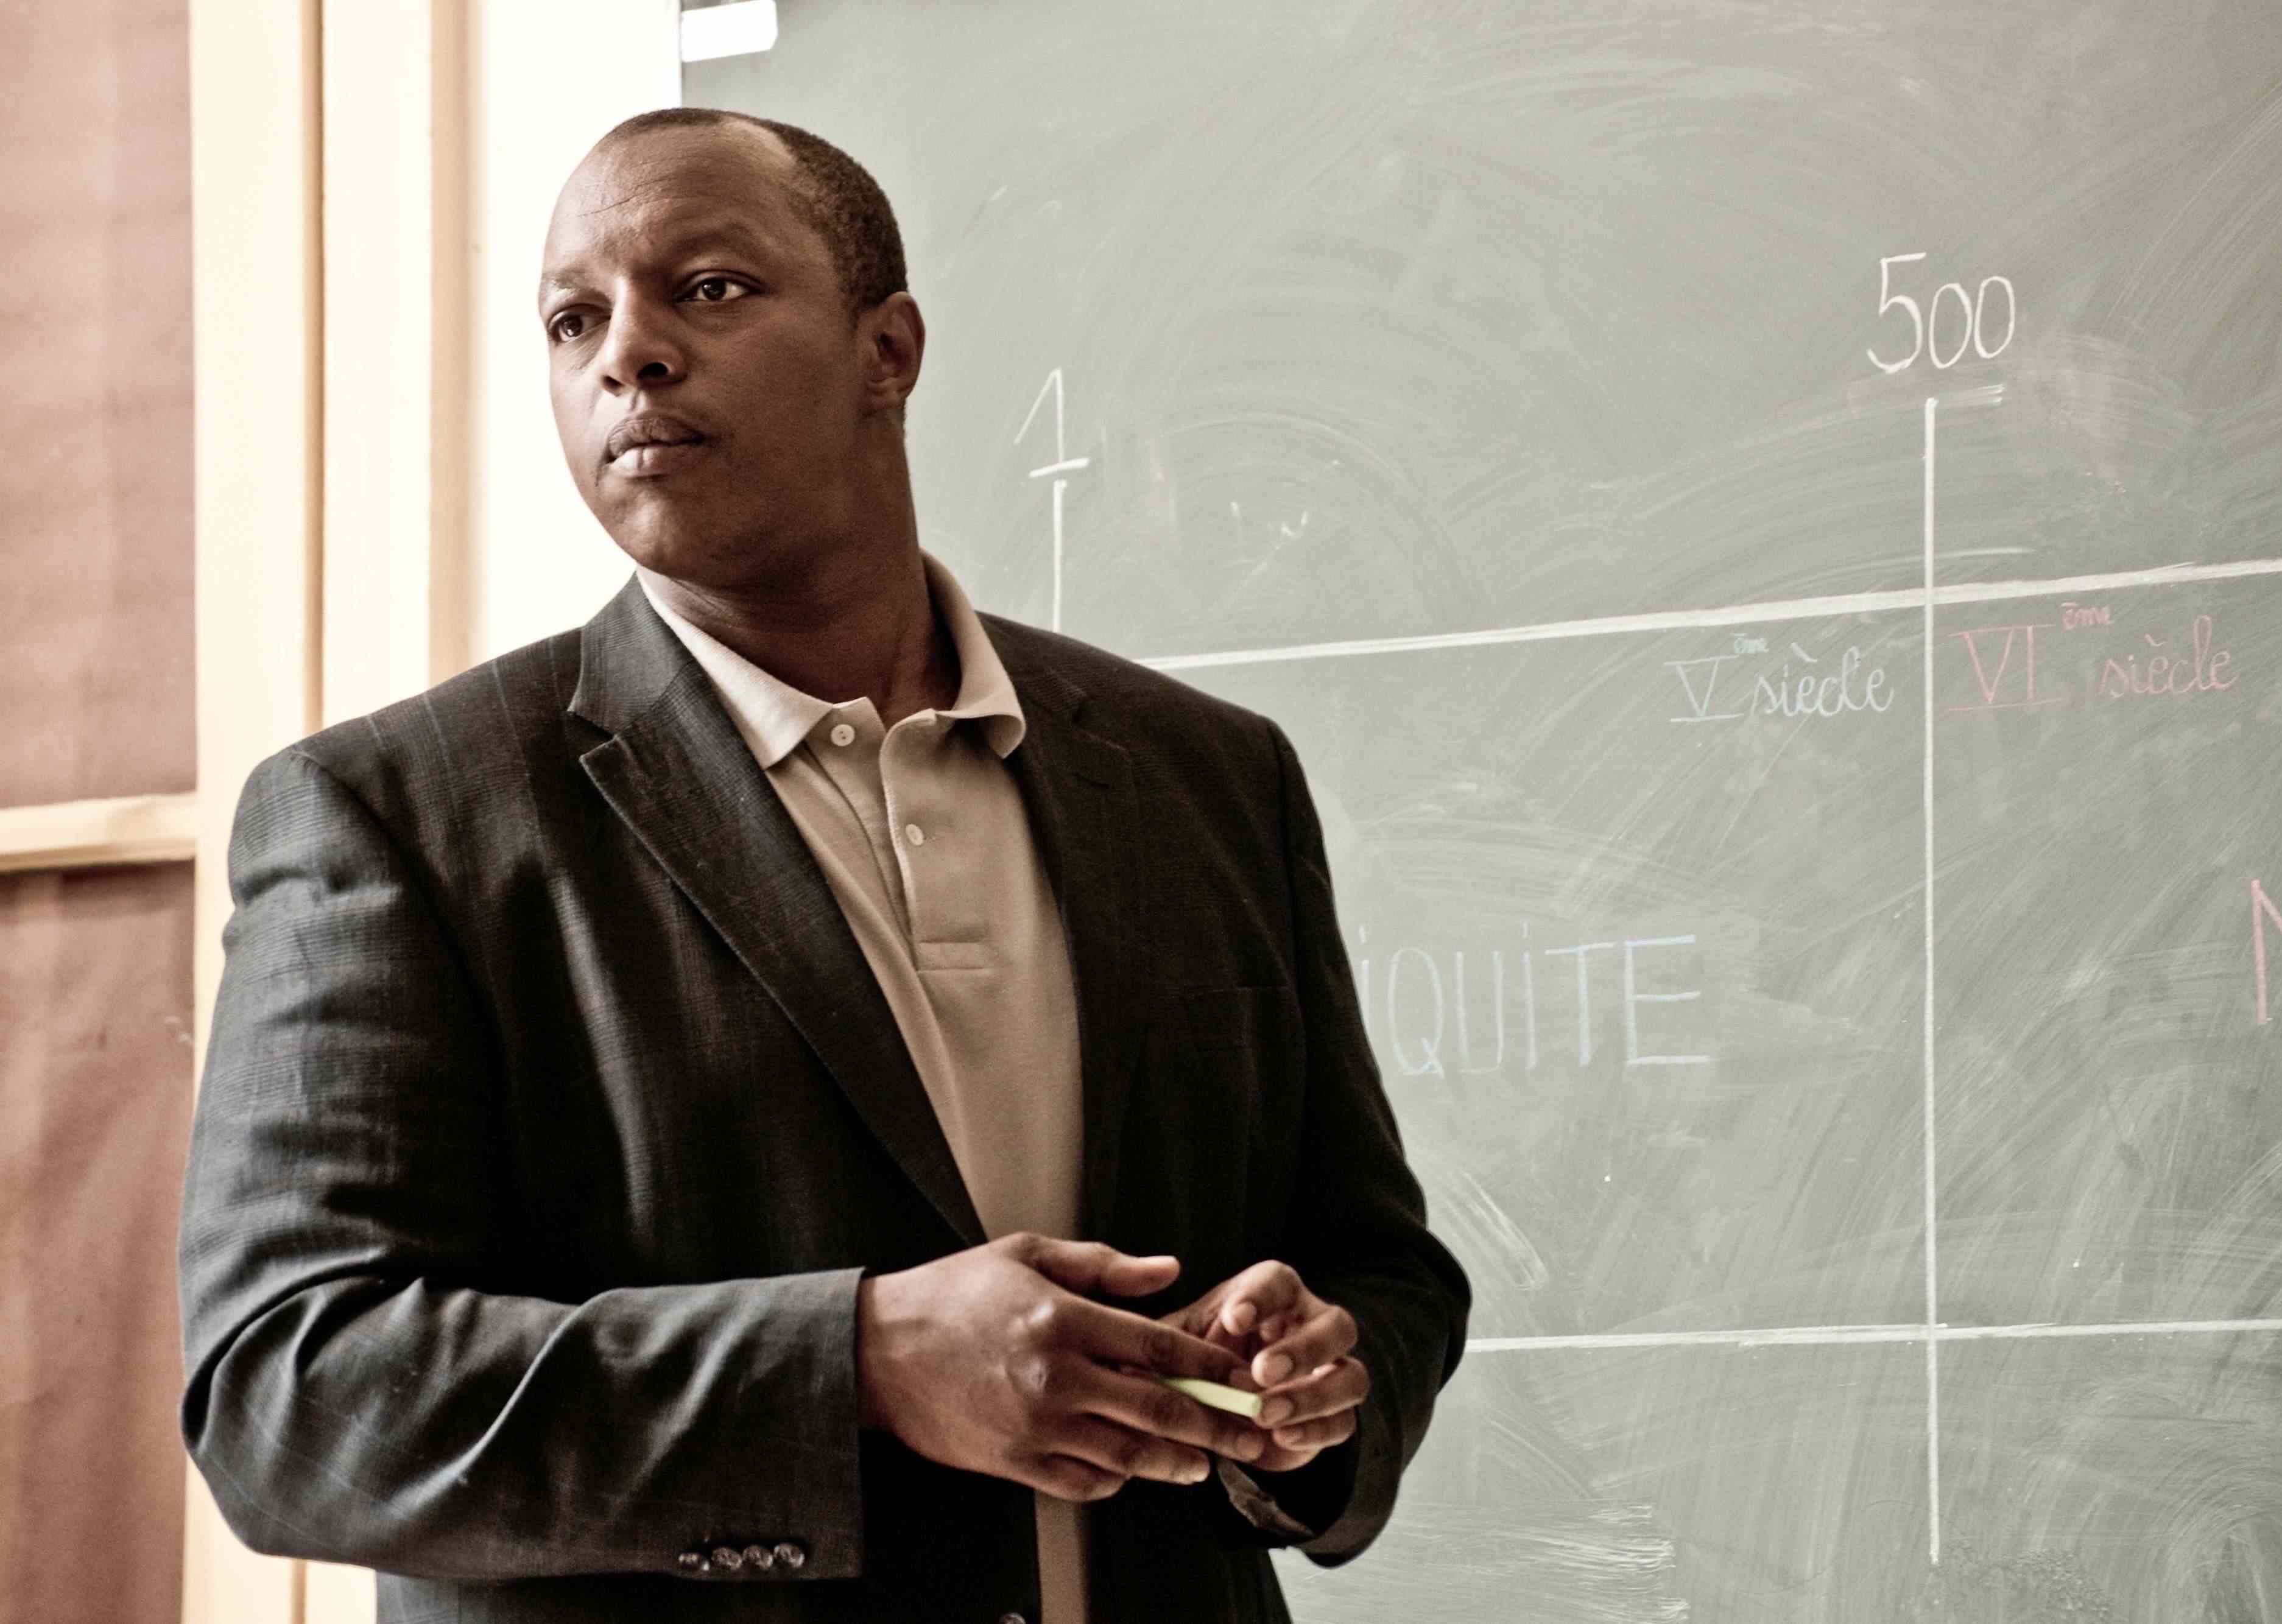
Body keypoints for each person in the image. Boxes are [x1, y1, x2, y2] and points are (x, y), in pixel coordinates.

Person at [175, 107, 1469, 1623]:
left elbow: (1380, 1267)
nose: (628, 354)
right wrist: (861, 1362)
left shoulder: (1206, 772)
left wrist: (1309, 1386)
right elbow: (288, 1396)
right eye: (574, 319)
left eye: (708, 288)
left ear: (888, 350)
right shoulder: (394, 814)